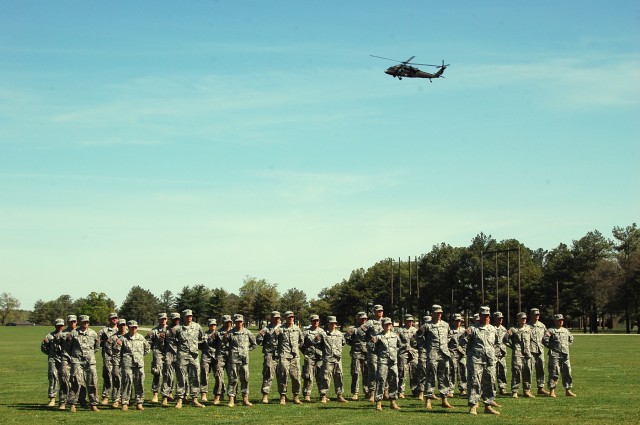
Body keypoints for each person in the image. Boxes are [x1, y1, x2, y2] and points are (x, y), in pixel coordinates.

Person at [465, 306, 501, 415]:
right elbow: (462, 342)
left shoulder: (493, 329)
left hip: (489, 360)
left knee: (490, 382)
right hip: (476, 360)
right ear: (479, 315)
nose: (485, 317)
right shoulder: (472, 329)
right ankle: (473, 406)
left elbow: (497, 343)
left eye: (487, 315)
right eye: (483, 315)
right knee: (474, 382)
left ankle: (488, 406)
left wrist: (494, 355)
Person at [418, 304, 453, 409]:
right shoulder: (426, 326)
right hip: (432, 354)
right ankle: (428, 400)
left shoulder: (445, 325)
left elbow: (450, 336)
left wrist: (446, 346)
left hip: (444, 354)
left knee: (444, 377)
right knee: (431, 376)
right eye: (437, 313)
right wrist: (426, 347)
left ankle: (444, 400)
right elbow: (417, 337)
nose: (439, 315)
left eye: (440, 313)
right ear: (432, 313)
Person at [68, 315, 100, 413]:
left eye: (87, 322)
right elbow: (68, 347)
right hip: (77, 361)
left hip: (90, 362)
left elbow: (97, 347)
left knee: (92, 383)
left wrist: (89, 355)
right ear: (80, 322)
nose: (86, 323)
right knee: (75, 382)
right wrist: (76, 356)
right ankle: (73, 404)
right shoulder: (73, 333)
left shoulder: (93, 333)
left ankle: (93, 404)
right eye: (84, 322)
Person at [174, 309, 205, 408]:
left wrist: (195, 346)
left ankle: (195, 399)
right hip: (182, 356)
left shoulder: (197, 327)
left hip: (194, 356)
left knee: (195, 377)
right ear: (183, 317)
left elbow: (202, 338)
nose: (189, 317)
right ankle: (179, 400)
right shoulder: (178, 328)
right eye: (187, 316)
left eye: (190, 316)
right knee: (181, 378)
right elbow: (173, 341)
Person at [225, 314, 256, 407]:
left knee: (245, 379)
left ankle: (245, 398)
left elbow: (254, 344)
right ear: (234, 322)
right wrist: (230, 353)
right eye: (237, 322)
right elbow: (224, 345)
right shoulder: (230, 333)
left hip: (244, 361)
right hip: (233, 360)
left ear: (243, 322)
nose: (239, 323)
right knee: (232, 380)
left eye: (240, 321)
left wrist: (246, 350)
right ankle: (231, 399)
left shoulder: (247, 332)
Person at [542, 314, 576, 397]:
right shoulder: (551, 331)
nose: (561, 321)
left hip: (565, 355)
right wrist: (552, 348)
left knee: (567, 372)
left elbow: (571, 339)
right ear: (555, 321)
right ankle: (552, 390)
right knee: (554, 372)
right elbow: (545, 340)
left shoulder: (566, 331)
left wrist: (566, 346)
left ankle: (568, 390)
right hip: (555, 355)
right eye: (559, 320)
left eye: (562, 320)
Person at [120, 320, 151, 411]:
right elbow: (118, 351)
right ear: (128, 327)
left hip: (139, 364)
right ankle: (125, 403)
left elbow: (147, 349)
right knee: (126, 383)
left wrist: (139, 356)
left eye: (135, 327)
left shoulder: (141, 337)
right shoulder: (123, 338)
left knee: (139, 383)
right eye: (132, 327)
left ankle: (139, 403)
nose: (134, 328)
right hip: (127, 364)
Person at [373, 317, 401, 411]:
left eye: (389, 324)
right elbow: (374, 349)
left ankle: (393, 401)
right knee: (381, 380)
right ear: (383, 325)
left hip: (393, 362)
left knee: (394, 381)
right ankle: (378, 402)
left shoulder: (395, 336)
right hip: (383, 361)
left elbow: (399, 346)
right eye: (386, 324)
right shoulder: (378, 337)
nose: (388, 326)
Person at [318, 316, 348, 403]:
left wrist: (337, 351)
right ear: (328, 324)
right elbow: (318, 344)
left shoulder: (340, 334)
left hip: (338, 359)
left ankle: (339, 395)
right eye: (331, 323)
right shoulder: (323, 334)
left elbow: (343, 343)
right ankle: (323, 396)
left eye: (334, 323)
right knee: (326, 377)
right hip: (328, 359)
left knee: (339, 377)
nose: (333, 325)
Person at [276, 310, 304, 405]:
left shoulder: (297, 329)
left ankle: (296, 396)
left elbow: (301, 341)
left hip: (295, 357)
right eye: (289, 317)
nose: (291, 319)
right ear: (285, 318)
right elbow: (275, 342)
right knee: (283, 376)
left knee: (296, 377)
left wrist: (296, 348)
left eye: (292, 317)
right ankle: (283, 396)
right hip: (284, 356)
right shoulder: (280, 329)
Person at [506, 312, 534, 398]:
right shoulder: (513, 329)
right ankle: (515, 391)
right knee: (516, 371)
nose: (524, 320)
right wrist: (512, 346)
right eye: (522, 318)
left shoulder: (529, 329)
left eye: (525, 318)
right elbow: (505, 339)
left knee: (528, 371)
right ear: (518, 319)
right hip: (517, 354)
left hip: (527, 353)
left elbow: (532, 340)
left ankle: (527, 390)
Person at [256, 311, 281, 403]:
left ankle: (283, 395)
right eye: (275, 317)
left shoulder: (283, 328)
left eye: (278, 317)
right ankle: (265, 395)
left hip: (282, 354)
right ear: (271, 318)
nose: (277, 319)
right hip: (270, 354)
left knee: (282, 376)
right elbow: (258, 341)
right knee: (268, 374)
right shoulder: (266, 328)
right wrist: (261, 336)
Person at [345, 311, 369, 400]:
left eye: (365, 319)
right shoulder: (353, 329)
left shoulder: (369, 329)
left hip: (367, 353)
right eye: (362, 318)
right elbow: (346, 338)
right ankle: (355, 392)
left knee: (366, 373)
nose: (364, 320)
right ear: (358, 318)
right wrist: (354, 344)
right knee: (355, 372)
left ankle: (367, 392)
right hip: (356, 353)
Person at [363, 304, 384, 401]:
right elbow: (360, 332)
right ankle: (372, 393)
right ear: (374, 312)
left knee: (384, 371)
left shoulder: (386, 321)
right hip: (373, 351)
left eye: (381, 311)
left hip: (384, 350)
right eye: (378, 311)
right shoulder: (370, 322)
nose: (380, 312)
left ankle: (385, 392)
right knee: (373, 371)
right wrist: (367, 341)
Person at [41, 318, 64, 407]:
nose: (60, 327)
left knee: (64, 379)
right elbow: (43, 348)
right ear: (55, 326)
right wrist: (51, 353)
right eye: (58, 325)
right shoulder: (49, 336)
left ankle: (63, 399)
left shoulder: (66, 335)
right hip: (53, 359)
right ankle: (52, 399)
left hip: (64, 359)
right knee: (53, 378)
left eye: (61, 325)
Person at [56, 314, 77, 410]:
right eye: (71, 322)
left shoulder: (79, 333)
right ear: (67, 323)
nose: (73, 323)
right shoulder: (61, 334)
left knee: (77, 381)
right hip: (65, 359)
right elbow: (55, 348)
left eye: (74, 321)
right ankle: (62, 402)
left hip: (77, 360)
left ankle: (76, 401)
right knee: (64, 380)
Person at [145, 312, 167, 403]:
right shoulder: (154, 331)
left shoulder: (171, 329)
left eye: (165, 319)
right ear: (159, 320)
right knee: (157, 373)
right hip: (157, 353)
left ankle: (167, 394)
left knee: (168, 374)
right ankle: (155, 394)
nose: (163, 320)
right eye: (161, 319)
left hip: (168, 354)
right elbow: (147, 341)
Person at [301, 314, 324, 402]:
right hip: (309, 357)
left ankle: (322, 394)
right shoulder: (306, 332)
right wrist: (306, 352)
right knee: (308, 376)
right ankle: (307, 394)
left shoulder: (322, 332)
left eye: (317, 320)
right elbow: (301, 344)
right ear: (311, 321)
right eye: (314, 321)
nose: (316, 322)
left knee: (321, 376)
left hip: (320, 358)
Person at [98, 312, 119, 405]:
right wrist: (104, 342)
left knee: (118, 376)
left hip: (119, 357)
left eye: (116, 318)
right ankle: (106, 396)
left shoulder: (122, 329)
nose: (114, 319)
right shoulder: (104, 331)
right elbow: (97, 342)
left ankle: (118, 397)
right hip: (108, 356)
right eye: (112, 318)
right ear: (109, 319)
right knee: (107, 375)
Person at [161, 312, 181, 406]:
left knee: (181, 377)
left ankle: (181, 397)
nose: (176, 320)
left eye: (178, 319)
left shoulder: (182, 329)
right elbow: (162, 344)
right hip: (169, 355)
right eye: (174, 319)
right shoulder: (166, 329)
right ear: (171, 319)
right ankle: (165, 396)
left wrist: (176, 336)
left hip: (180, 355)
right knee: (168, 376)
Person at [395, 314, 418, 399]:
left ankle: (415, 390)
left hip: (414, 353)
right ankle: (401, 391)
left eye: (411, 321)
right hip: (403, 353)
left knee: (414, 372)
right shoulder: (400, 330)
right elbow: (396, 342)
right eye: (408, 321)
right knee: (402, 372)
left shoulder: (415, 330)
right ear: (405, 321)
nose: (410, 322)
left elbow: (418, 342)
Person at [212, 315, 233, 405]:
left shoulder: (234, 331)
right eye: (226, 322)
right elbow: (212, 344)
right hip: (220, 357)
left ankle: (232, 397)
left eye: (229, 322)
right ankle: (218, 395)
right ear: (223, 322)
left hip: (232, 357)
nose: (228, 323)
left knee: (232, 377)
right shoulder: (218, 332)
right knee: (218, 377)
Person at [529, 308, 550, 395]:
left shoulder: (542, 325)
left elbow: (546, 336)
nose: (537, 316)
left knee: (541, 369)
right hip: (530, 351)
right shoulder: (527, 326)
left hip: (540, 350)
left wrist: (548, 336)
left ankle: (540, 388)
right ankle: (527, 389)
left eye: (538, 314)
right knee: (529, 370)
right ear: (531, 315)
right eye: (535, 314)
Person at [109, 319, 127, 408]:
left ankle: (126, 399)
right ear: (118, 326)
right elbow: (107, 348)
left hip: (128, 361)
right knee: (116, 379)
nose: (123, 326)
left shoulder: (129, 336)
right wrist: (117, 345)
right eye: (121, 325)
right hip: (117, 361)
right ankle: (116, 400)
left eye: (124, 325)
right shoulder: (113, 337)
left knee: (127, 380)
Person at [448, 313, 467, 396]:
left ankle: (463, 389)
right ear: (453, 321)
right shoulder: (449, 330)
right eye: (456, 321)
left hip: (462, 353)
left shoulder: (464, 330)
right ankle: (450, 390)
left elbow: (467, 342)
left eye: (459, 321)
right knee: (451, 371)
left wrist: (464, 350)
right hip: (452, 352)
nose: (458, 322)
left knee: (463, 370)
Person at [199, 318, 218, 403]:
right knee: (204, 376)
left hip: (217, 357)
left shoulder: (219, 334)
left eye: (214, 325)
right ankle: (203, 394)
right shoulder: (204, 334)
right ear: (208, 325)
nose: (213, 326)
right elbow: (199, 345)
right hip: (206, 357)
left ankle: (218, 394)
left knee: (218, 376)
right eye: (211, 325)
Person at [492, 311, 508, 395]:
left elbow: (506, 341)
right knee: (493, 372)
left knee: (502, 371)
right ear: (495, 319)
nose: (500, 320)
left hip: (502, 353)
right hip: (493, 353)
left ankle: (502, 388)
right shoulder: (491, 328)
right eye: (498, 318)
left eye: (501, 318)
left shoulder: (504, 329)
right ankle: (492, 389)